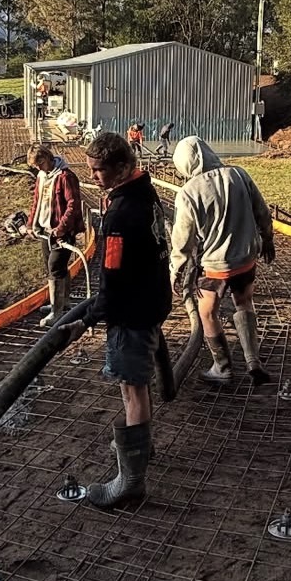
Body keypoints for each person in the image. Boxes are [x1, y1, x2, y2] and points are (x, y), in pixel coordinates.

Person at [83, 130, 172, 508]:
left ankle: (131, 481)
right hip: (150, 302)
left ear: (121, 167)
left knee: (132, 388)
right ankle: (140, 446)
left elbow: (112, 273)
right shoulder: (145, 193)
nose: (94, 176)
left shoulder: (121, 214)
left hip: (131, 312)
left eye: (99, 170)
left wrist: (91, 314)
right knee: (136, 383)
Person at [168, 137, 275, 387]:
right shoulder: (238, 175)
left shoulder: (189, 192)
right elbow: (261, 210)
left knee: (207, 312)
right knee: (244, 302)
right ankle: (253, 361)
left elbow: (183, 238)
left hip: (216, 265)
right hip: (246, 258)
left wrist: (176, 269)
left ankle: (223, 367)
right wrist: (267, 239)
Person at [25, 144, 85, 327]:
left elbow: (73, 205)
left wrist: (60, 229)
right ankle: (62, 302)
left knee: (55, 266)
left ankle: (56, 311)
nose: (37, 168)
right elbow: (37, 202)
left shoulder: (65, 177)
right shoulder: (42, 177)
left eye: (39, 164)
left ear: (48, 159)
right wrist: (30, 224)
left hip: (62, 232)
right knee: (53, 267)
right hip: (45, 231)